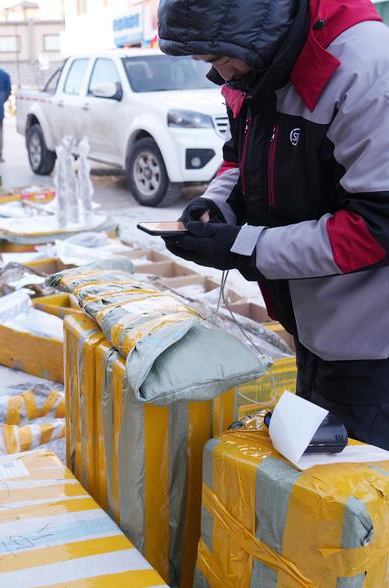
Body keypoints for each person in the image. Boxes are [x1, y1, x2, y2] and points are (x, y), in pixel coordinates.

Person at [157, 0, 389, 449]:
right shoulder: (255, 63)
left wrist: (245, 247)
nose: (220, 74)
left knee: (361, 483)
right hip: (315, 328)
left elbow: (376, 229)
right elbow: (240, 160)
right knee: (315, 474)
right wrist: (216, 207)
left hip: (373, 347)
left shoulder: (366, 73)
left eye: (220, 58)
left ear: (261, 26)